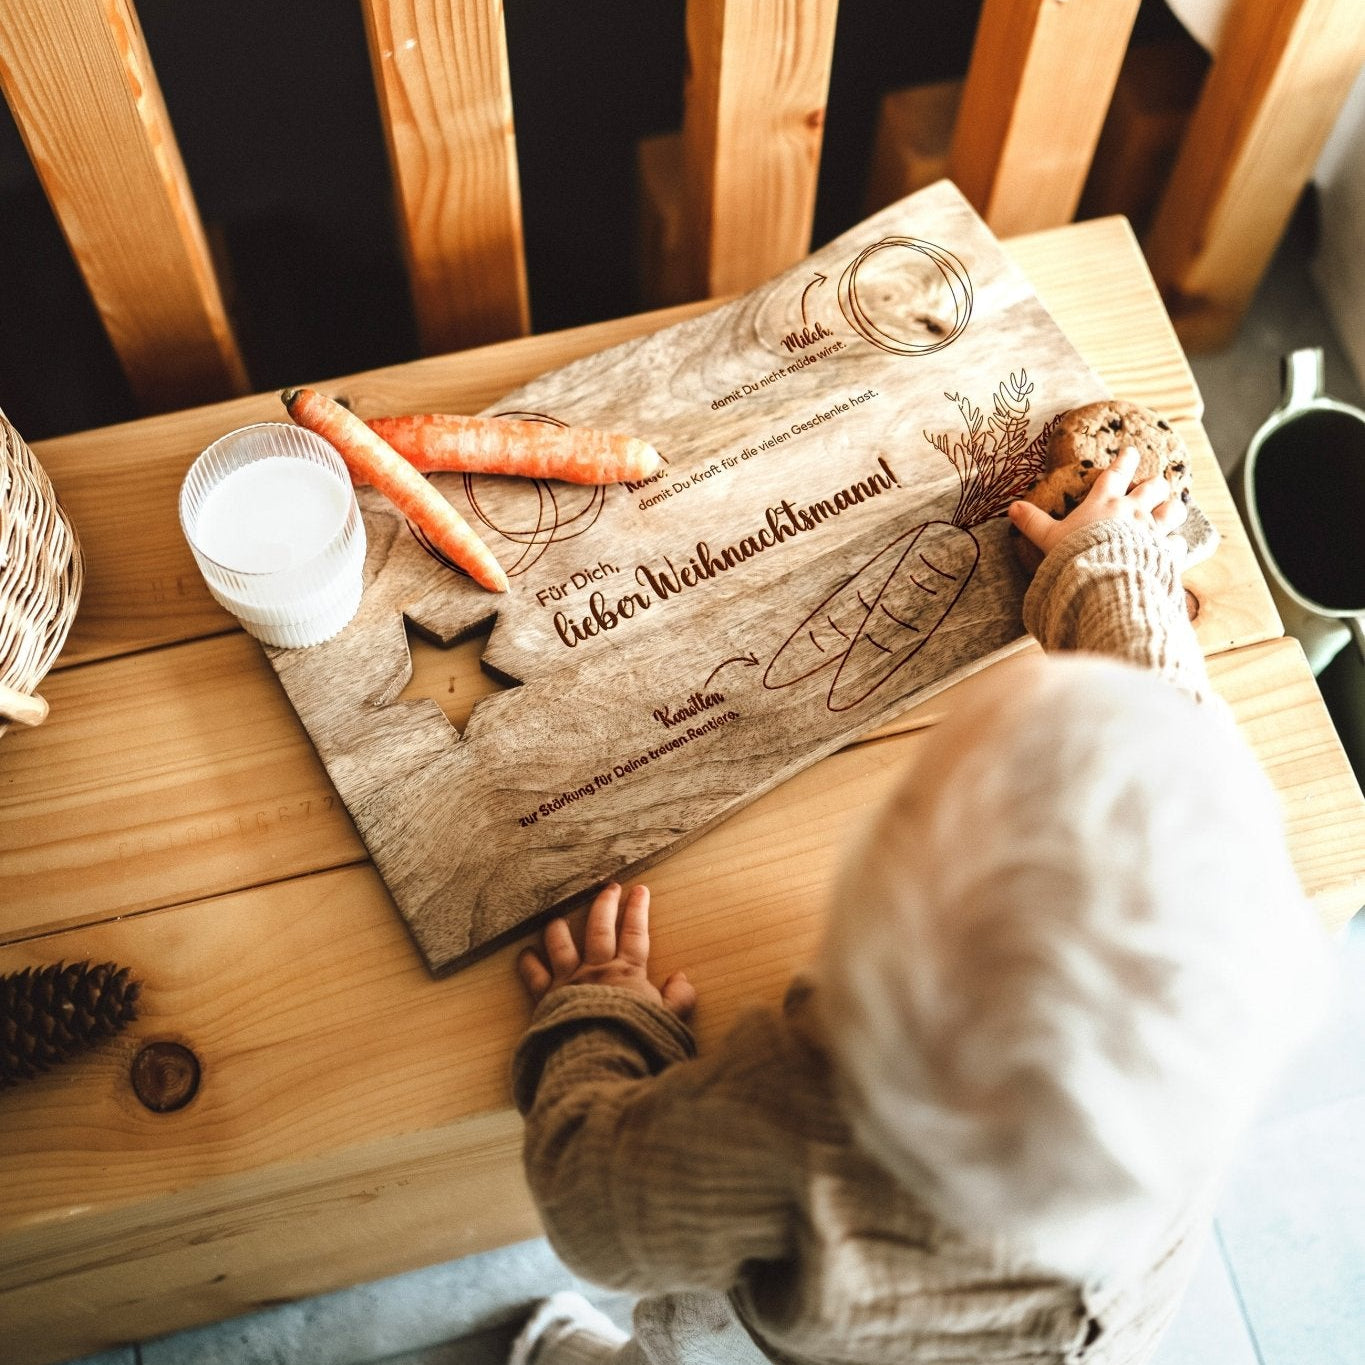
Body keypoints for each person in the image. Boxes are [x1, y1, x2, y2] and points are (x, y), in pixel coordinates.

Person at [507, 449, 1330, 1365]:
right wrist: (1108, 559)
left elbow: (593, 1203)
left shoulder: (803, 1124)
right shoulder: (1216, 915)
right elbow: (1158, 711)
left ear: (857, 984)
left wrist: (602, 1016)